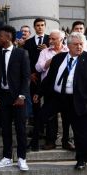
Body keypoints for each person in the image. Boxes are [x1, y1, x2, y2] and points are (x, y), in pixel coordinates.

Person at [39, 32, 87, 170]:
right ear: (69, 45)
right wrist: (39, 92)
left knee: (80, 132)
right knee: (41, 117)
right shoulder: (59, 58)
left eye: (81, 44)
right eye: (76, 44)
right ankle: (34, 143)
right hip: (58, 97)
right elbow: (49, 78)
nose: (79, 47)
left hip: (78, 100)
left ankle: (81, 159)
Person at [0, 25, 30, 171]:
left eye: (0, 36)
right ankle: (7, 157)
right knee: (5, 128)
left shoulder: (22, 53)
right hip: (3, 97)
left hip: (18, 97)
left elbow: (26, 77)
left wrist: (22, 96)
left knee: (20, 129)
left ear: (8, 37)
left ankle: (22, 158)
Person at [30, 29, 69, 151]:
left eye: (53, 39)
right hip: (49, 88)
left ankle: (66, 141)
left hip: (66, 90)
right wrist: (52, 61)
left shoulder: (69, 51)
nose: (50, 41)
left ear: (61, 39)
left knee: (67, 116)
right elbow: (38, 68)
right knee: (50, 117)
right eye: (50, 38)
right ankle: (50, 141)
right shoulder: (45, 52)